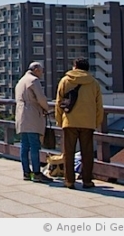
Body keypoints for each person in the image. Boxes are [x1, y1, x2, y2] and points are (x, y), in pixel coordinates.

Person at [55, 58, 104, 189]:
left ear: (75, 66)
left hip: (69, 121)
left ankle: (69, 181)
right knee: (87, 152)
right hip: (88, 122)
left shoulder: (65, 80)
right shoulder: (93, 83)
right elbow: (99, 105)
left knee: (68, 152)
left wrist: (60, 120)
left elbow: (59, 102)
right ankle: (87, 180)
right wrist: (96, 121)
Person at [15, 61, 53, 183]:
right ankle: (37, 172)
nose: (42, 73)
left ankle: (26, 172)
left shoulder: (21, 81)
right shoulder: (33, 81)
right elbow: (41, 98)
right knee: (35, 145)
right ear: (36, 69)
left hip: (21, 114)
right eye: (41, 70)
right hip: (32, 114)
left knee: (24, 145)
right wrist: (46, 108)